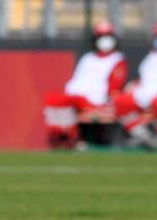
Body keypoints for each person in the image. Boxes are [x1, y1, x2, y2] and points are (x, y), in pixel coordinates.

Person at [43, 20, 129, 148]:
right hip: (77, 96)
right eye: (101, 37)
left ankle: (72, 138)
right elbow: (76, 80)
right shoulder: (88, 58)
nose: (104, 41)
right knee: (52, 99)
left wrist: (106, 104)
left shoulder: (117, 59)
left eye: (107, 37)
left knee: (70, 104)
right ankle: (63, 134)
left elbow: (114, 87)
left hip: (95, 100)